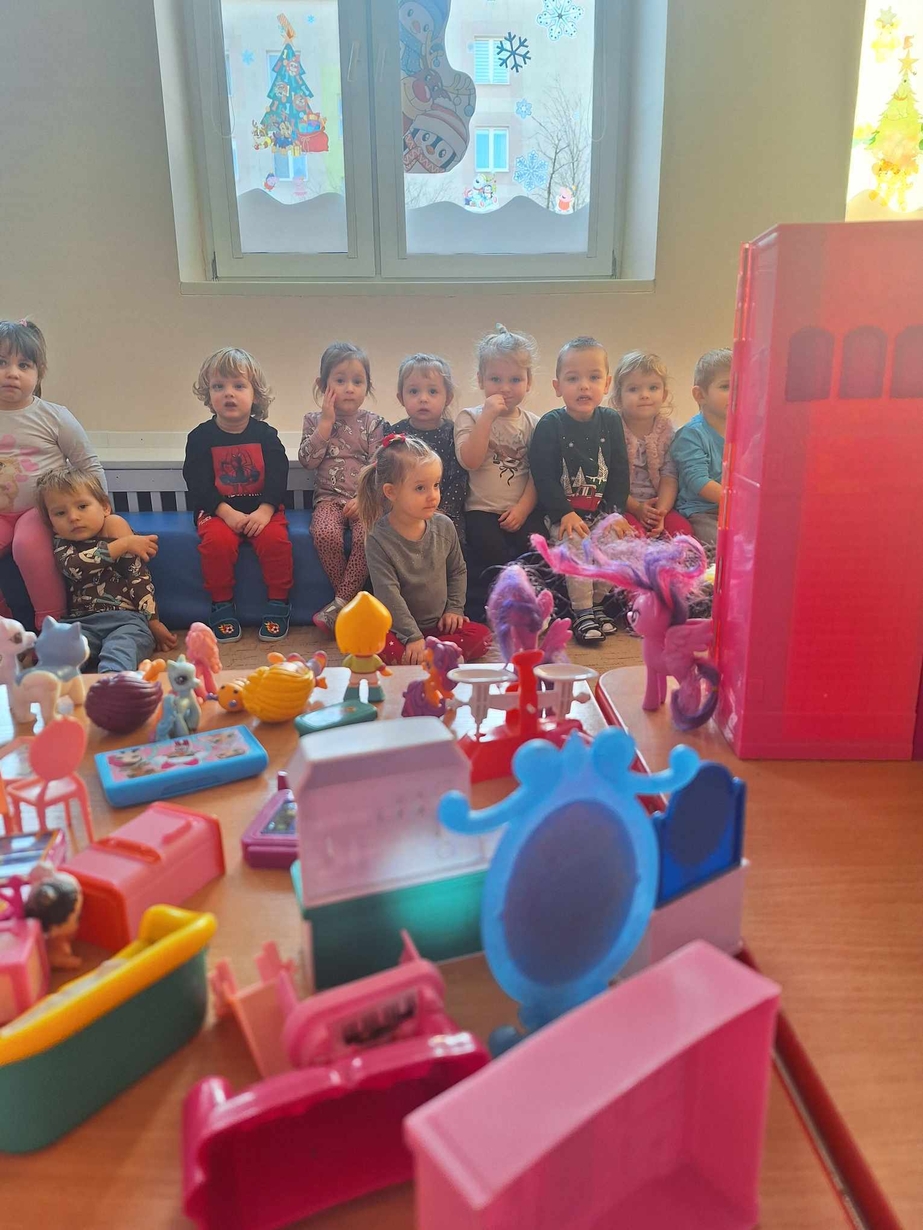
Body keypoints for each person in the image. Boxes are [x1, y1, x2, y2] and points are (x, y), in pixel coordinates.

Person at [0, 320, 106, 628]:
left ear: (39, 372)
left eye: (23, 365)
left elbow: (88, 464)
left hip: (41, 510)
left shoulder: (53, 416)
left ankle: (53, 624)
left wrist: (102, 512)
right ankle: (6, 626)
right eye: (2, 362)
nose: (12, 373)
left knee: (27, 546)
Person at [184, 347, 293, 643]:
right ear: (209, 395)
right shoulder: (200, 438)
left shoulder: (266, 435)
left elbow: (278, 475)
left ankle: (279, 601)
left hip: (262, 510)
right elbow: (197, 483)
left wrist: (265, 510)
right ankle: (221, 603)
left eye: (239, 386)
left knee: (276, 541)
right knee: (217, 544)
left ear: (255, 395)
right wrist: (226, 512)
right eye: (219, 386)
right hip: (218, 511)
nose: (228, 393)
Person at [529, 336, 631, 646]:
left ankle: (597, 605)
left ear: (607, 384)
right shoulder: (550, 424)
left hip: (600, 512)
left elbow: (619, 472)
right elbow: (543, 475)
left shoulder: (611, 421)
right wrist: (564, 513)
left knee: (615, 544)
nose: (584, 386)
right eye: (573, 379)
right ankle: (582, 610)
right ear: (558, 386)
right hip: (563, 514)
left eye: (594, 378)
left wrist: (614, 515)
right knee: (576, 544)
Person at [357, 434, 491, 667]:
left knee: (483, 637)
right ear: (391, 492)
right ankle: (436, 654)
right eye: (420, 488)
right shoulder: (378, 538)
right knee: (368, 640)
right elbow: (388, 594)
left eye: (436, 485)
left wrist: (454, 609)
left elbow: (457, 571)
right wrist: (411, 636)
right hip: (398, 629)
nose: (433, 496)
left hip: (439, 625)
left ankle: (425, 656)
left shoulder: (444, 526)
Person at [36, 467, 176, 672]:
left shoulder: (116, 528)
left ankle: (112, 679)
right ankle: (52, 681)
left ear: (104, 507)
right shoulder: (63, 543)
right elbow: (74, 567)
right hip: (80, 622)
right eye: (60, 513)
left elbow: (138, 577)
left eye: (82, 506)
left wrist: (154, 622)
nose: (73, 517)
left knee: (122, 647)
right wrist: (123, 544)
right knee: (62, 651)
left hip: (127, 620)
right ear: (52, 524)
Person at [454, 324, 546, 618]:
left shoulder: (535, 423)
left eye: (515, 379)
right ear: (480, 380)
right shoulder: (469, 417)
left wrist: (522, 509)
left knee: (536, 551)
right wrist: (487, 417)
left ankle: (533, 607)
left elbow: (538, 474)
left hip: (522, 508)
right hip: (482, 510)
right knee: (491, 555)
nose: (505, 387)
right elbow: (469, 460)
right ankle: (498, 609)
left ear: (528, 382)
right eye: (495, 379)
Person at [299, 342, 386, 632]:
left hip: (365, 500)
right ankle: (350, 607)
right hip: (328, 500)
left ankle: (338, 606)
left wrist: (365, 498)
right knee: (325, 535)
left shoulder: (373, 423)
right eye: (340, 380)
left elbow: (379, 467)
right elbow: (307, 461)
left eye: (357, 382)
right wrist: (326, 423)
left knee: (367, 537)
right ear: (323, 385)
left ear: (367, 386)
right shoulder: (313, 420)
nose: (349, 388)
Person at [611, 350, 693, 538]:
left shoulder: (668, 431)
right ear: (618, 398)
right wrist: (636, 508)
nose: (645, 395)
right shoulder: (612, 427)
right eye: (633, 389)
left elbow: (669, 476)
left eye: (653, 388)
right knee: (630, 536)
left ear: (664, 394)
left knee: (682, 532)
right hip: (622, 504)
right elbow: (609, 480)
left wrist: (660, 513)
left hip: (658, 503)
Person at [392, 353, 467, 546]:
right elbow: (388, 476)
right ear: (401, 398)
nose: (423, 399)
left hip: (444, 511)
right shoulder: (395, 434)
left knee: (448, 540)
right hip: (404, 511)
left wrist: (440, 512)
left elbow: (459, 479)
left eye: (433, 391)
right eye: (413, 391)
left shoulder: (453, 433)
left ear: (448, 397)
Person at [671, 348, 732, 554]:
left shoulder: (745, 431)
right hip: (701, 512)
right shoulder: (691, 434)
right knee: (721, 547)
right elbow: (698, 481)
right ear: (700, 395)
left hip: (733, 509)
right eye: (726, 386)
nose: (737, 393)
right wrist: (737, 501)